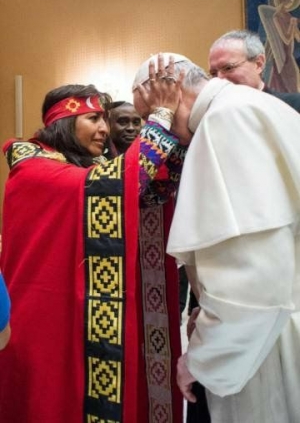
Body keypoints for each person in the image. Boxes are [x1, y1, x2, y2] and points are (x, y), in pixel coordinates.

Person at [0, 55, 191, 423]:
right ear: (64, 123)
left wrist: (177, 144)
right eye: (94, 119)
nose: (104, 129)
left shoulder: (82, 169)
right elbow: (116, 185)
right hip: (43, 323)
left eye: (105, 119)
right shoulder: (33, 168)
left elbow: (144, 194)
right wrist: (162, 118)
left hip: (78, 311)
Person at [133, 52, 300, 423]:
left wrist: (203, 359)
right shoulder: (255, 106)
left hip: (263, 346)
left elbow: (252, 276)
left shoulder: (225, 121)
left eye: (152, 114)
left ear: (172, 90)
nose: (161, 130)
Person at [208, 29, 300, 111]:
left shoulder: (293, 106)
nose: (219, 79)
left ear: (258, 64)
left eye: (228, 68)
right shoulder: (213, 115)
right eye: (213, 73)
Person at [258, 0, 300, 93]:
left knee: (293, 81)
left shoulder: (289, 16)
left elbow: (298, 38)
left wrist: (294, 25)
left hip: (289, 55)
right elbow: (286, 39)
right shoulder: (276, 16)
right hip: (282, 55)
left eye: (290, 1)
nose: (288, 2)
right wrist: (292, 24)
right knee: (286, 83)